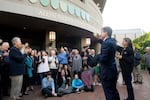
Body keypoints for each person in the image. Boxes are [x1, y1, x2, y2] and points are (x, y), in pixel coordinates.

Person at [98, 27, 120, 100]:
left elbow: (103, 59)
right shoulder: (112, 41)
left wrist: (98, 56)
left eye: (102, 32)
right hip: (112, 69)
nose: (101, 34)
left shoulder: (106, 43)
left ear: (106, 33)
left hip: (107, 71)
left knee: (108, 92)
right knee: (113, 90)